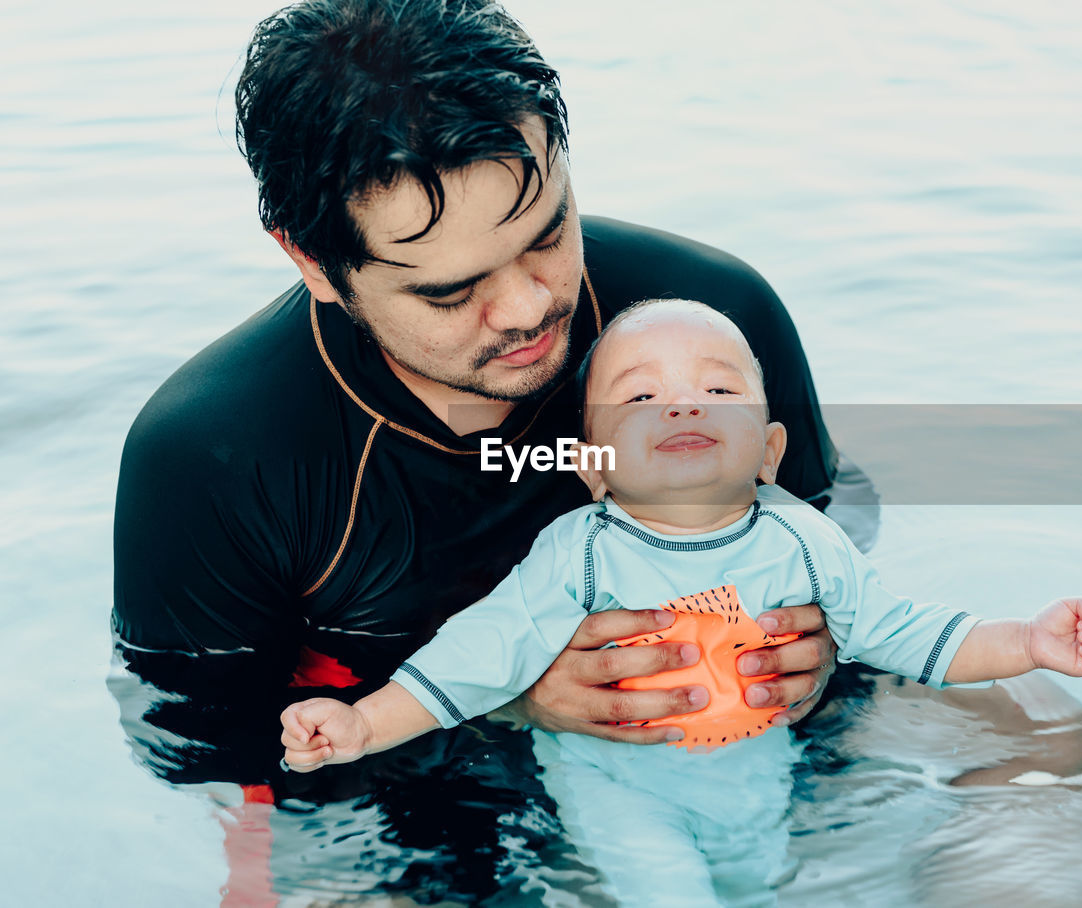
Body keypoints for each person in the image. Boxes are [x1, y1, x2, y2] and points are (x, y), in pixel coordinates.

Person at [109, 0, 854, 894]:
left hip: (739, 727)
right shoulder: (214, 456)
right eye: (450, 292)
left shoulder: (707, 323)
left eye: (546, 235)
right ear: (311, 260)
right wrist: (508, 696)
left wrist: (821, 647)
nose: (530, 308)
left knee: (1035, 746)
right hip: (408, 782)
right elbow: (205, 743)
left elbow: (820, 536)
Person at [276, 300, 1082, 906]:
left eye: (720, 393)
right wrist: (362, 723)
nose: (683, 404)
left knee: (754, 886)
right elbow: (477, 654)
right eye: (640, 398)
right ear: (595, 465)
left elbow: (907, 632)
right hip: (618, 780)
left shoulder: (801, 542)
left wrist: (1027, 640)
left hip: (756, 773)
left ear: (769, 451)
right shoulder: (581, 552)